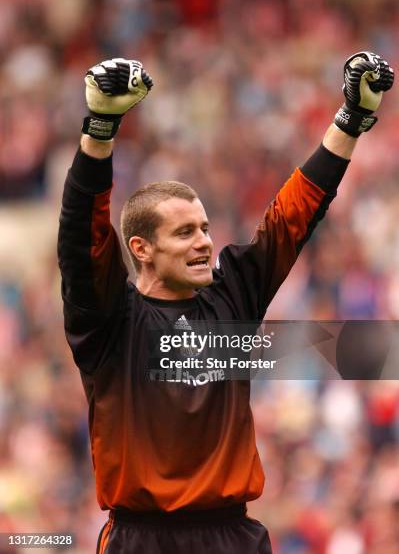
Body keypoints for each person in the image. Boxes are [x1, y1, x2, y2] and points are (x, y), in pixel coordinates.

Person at [58, 52, 393, 553]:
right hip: (141, 540)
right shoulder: (110, 322)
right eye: (185, 232)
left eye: (206, 229)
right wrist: (100, 128)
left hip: (233, 537)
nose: (204, 242)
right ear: (141, 249)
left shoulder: (231, 294)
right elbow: (81, 239)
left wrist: (352, 118)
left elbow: (293, 217)